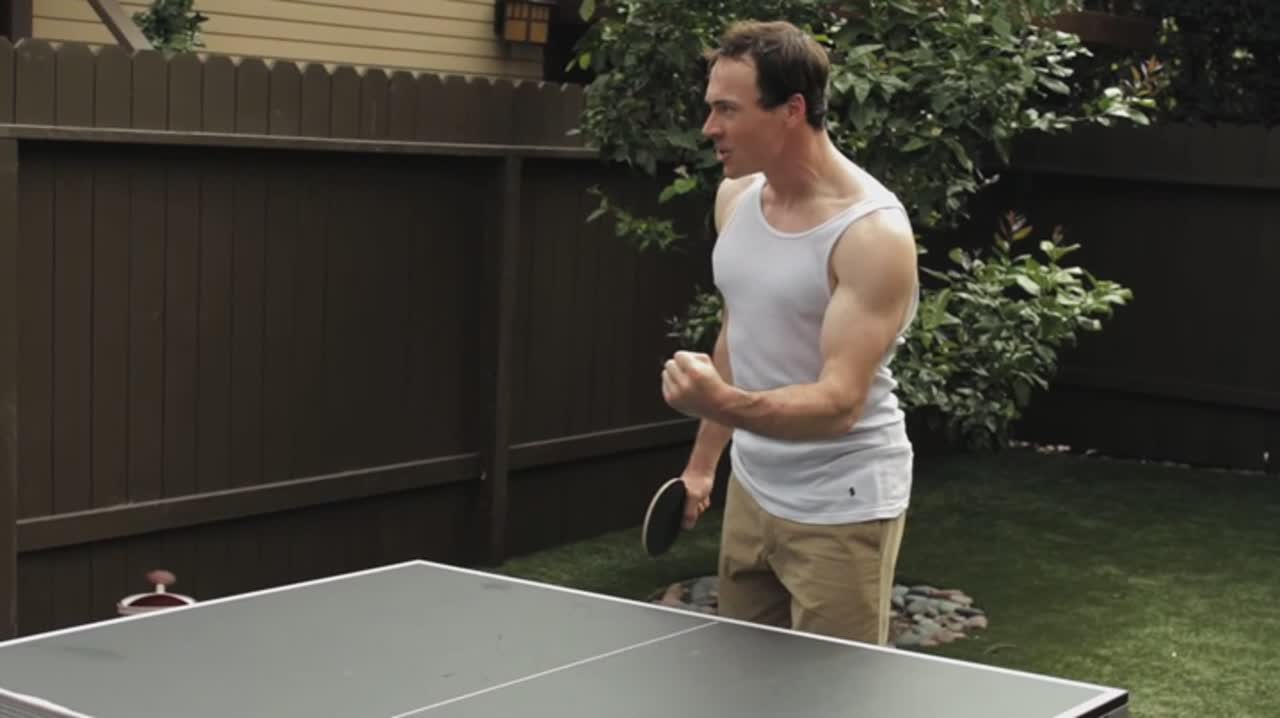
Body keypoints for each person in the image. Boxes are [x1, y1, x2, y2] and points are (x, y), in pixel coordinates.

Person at [659, 19, 919, 646]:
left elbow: (839, 403)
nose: (709, 127)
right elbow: (738, 335)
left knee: (833, 692)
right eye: (710, 107)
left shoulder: (870, 234)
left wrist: (723, 403)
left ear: (792, 110)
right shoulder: (735, 198)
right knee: (746, 681)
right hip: (753, 490)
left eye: (728, 109)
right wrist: (703, 466)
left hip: (843, 503)